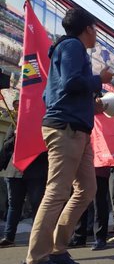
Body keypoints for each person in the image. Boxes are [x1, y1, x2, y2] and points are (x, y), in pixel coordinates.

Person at [25, 7, 114, 264]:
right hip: (66, 128)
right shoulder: (73, 46)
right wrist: (100, 79)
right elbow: (72, 82)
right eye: (95, 28)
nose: (96, 33)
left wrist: (92, 105)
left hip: (78, 128)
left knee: (87, 190)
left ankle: (57, 248)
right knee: (56, 191)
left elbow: (55, 93)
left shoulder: (68, 50)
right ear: (88, 28)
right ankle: (36, 258)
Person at [0, 99, 47, 247]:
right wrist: (16, 136)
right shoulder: (15, 123)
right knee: (14, 205)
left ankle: (37, 237)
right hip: (15, 172)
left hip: (36, 172)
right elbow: (6, 147)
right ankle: (9, 237)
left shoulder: (43, 123)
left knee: (37, 205)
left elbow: (47, 150)